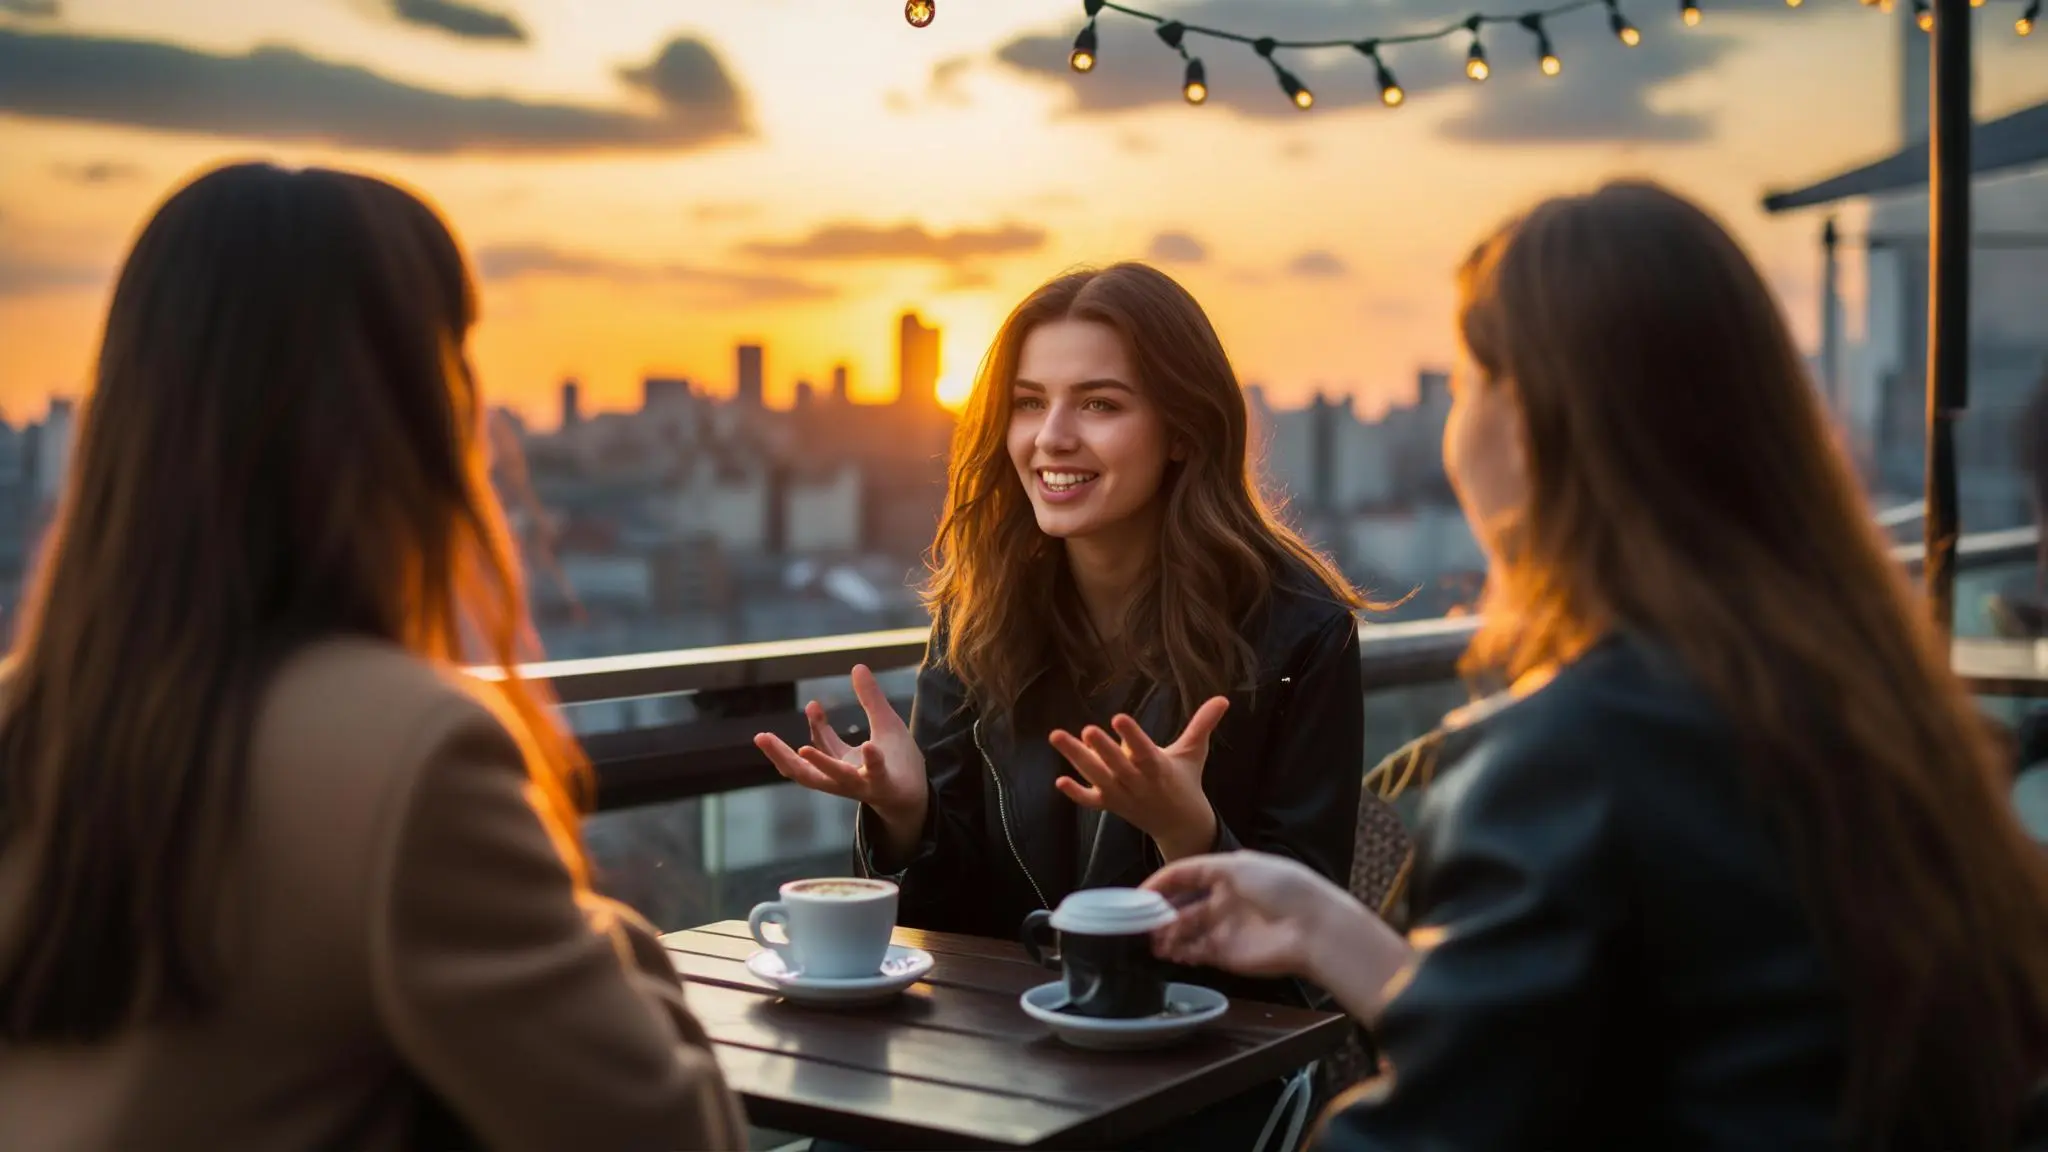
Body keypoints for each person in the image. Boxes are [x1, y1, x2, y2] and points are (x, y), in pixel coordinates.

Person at [1144, 182, 2048, 1150]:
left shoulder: (1563, 761)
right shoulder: (1864, 700)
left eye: (1462, 386)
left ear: (1526, 422)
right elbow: (1660, 1047)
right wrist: (1328, 930)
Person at [0, 163, 745, 1152]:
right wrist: (601, 927)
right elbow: (675, 1136)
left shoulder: (27, 721)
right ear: (407, 415)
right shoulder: (406, 754)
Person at [756, 262, 1369, 1144]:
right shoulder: (981, 612)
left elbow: (1305, 960)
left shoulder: (1301, 634)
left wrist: (1187, 834)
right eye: (1027, 401)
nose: (1051, 438)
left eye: (1100, 404)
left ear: (1184, 432)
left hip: (1187, 1089)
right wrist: (907, 815)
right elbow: (953, 927)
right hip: (994, 1069)